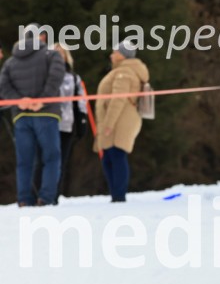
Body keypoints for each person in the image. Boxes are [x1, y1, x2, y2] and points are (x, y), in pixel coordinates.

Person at [0, 24, 65, 206]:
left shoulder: (11, 62)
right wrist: (42, 100)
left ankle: (23, 199)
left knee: (24, 161)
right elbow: (56, 77)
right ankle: (45, 198)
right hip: (47, 114)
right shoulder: (51, 55)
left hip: (21, 116)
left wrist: (19, 101)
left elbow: (3, 86)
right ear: (42, 37)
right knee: (51, 158)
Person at [94, 40, 149, 202]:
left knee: (116, 156)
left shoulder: (124, 73)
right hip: (120, 119)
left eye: (115, 52)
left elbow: (118, 100)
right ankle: (116, 194)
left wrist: (109, 124)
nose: (111, 55)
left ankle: (118, 195)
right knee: (109, 157)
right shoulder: (123, 71)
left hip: (120, 121)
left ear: (122, 55)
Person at [34, 43, 88, 196]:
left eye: (61, 53)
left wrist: (82, 121)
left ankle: (54, 194)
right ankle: (39, 194)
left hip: (66, 124)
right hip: (44, 123)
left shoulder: (73, 78)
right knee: (42, 161)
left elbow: (80, 101)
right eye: (55, 52)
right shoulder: (41, 74)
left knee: (60, 162)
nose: (58, 56)